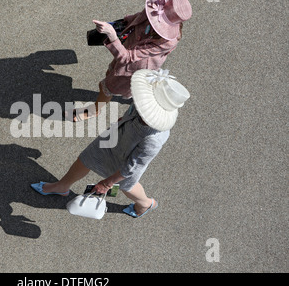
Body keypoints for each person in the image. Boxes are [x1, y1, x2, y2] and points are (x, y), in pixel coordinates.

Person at [32, 68, 190, 218]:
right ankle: (62, 186)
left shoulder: (153, 140)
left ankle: (145, 203)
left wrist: (108, 183)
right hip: (115, 138)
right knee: (86, 158)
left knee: (127, 186)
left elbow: (132, 168)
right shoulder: (145, 107)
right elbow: (131, 112)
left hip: (125, 163)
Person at [69, 0, 192, 122]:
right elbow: (138, 17)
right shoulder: (154, 10)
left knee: (106, 87)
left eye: (157, 21)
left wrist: (112, 36)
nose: (151, 17)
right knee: (126, 83)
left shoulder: (167, 41)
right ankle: (137, 99)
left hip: (133, 68)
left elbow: (127, 58)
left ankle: (94, 111)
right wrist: (122, 22)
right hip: (127, 52)